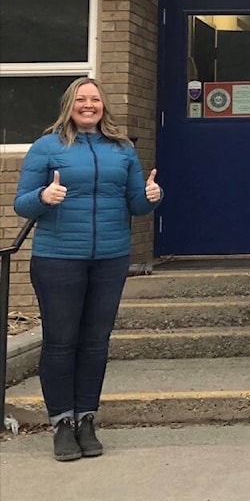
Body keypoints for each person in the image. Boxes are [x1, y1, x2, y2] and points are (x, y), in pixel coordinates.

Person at [14, 77, 163, 461]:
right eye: (81, 99)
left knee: (96, 342)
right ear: (69, 104)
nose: (88, 105)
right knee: (61, 342)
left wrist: (151, 197)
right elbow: (22, 204)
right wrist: (44, 196)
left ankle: (87, 419)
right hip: (58, 258)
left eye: (95, 99)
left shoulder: (122, 149)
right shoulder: (47, 147)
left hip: (110, 257)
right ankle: (62, 422)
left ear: (103, 106)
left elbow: (135, 204)